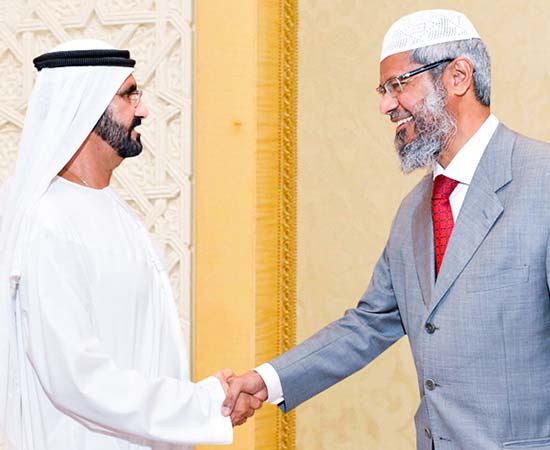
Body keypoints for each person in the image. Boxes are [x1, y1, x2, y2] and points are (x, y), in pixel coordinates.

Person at [222, 9, 550, 450]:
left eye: (399, 84)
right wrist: (266, 381)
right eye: (383, 90)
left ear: (457, 76)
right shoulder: (415, 210)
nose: (385, 105)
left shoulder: (541, 181)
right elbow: (368, 324)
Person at [0, 39, 260, 450]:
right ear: (84, 107)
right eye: (128, 95)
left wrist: (205, 403)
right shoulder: (48, 221)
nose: (143, 109)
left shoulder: (113, 210)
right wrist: (205, 403)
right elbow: (77, 378)